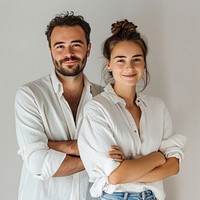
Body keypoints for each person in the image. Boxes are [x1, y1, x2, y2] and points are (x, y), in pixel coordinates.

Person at [78, 19, 186, 200]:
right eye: (121, 60)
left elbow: (173, 165)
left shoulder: (157, 107)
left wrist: (129, 167)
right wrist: (158, 157)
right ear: (109, 64)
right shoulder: (97, 109)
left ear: (144, 64)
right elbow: (117, 176)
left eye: (136, 59)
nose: (129, 67)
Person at [14, 11, 103, 200]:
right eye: (60, 46)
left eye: (76, 45)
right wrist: (100, 156)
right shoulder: (30, 95)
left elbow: (122, 149)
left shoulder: (105, 98)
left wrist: (55, 146)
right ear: (50, 50)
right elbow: (37, 163)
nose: (68, 53)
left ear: (88, 48)